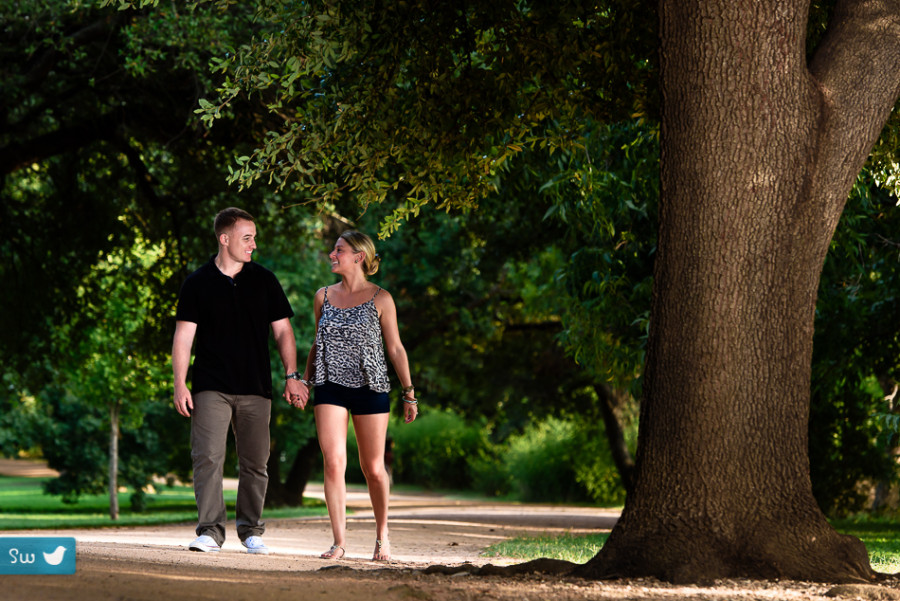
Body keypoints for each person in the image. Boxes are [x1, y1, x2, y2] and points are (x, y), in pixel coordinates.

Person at [172, 207, 309, 555]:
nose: (253, 245)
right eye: (247, 238)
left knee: (255, 462)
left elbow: (283, 332)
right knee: (207, 458)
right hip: (210, 384)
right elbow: (184, 337)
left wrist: (292, 375)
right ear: (224, 238)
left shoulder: (264, 280)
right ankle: (210, 532)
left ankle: (251, 531)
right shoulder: (197, 283)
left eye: (254, 238)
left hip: (256, 385)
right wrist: (179, 383)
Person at [294, 230, 418, 562]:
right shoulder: (323, 296)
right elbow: (318, 344)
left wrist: (409, 393)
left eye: (339, 250)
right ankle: (339, 542)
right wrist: (304, 382)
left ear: (358, 256)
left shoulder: (381, 298)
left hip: (371, 386)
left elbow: (395, 348)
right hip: (329, 384)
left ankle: (382, 536)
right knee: (333, 462)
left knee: (373, 468)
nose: (332, 255)